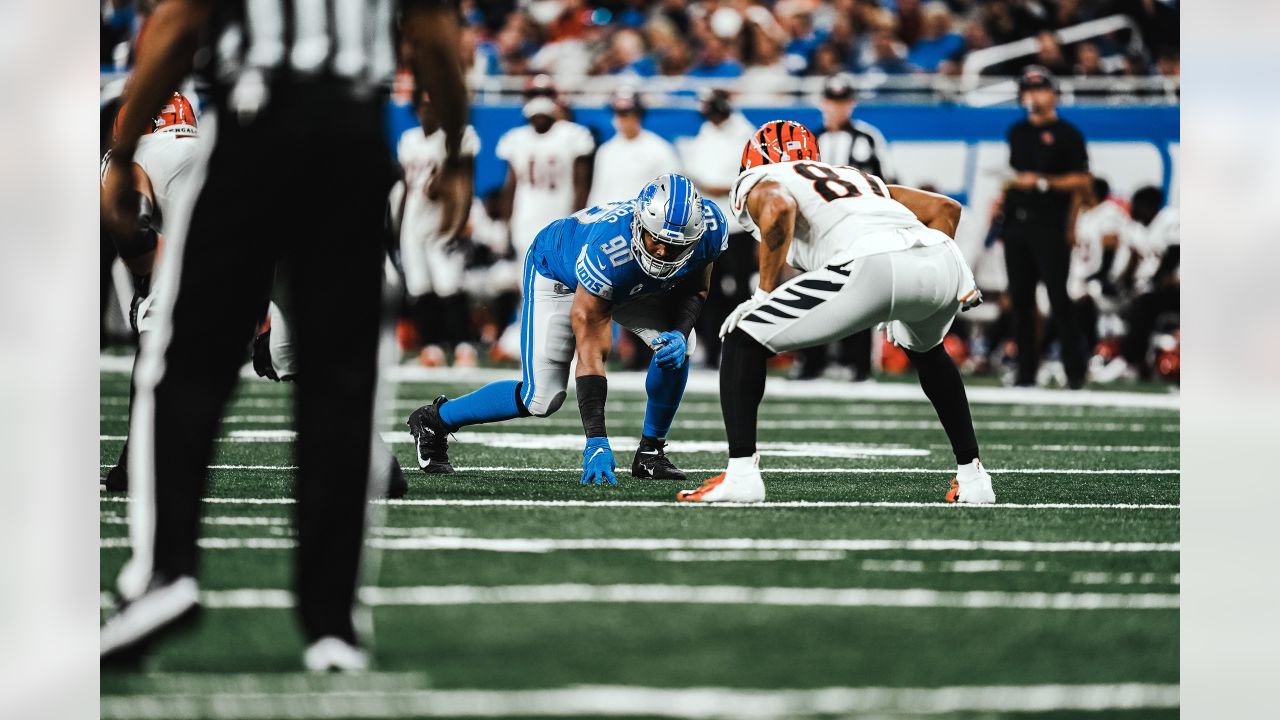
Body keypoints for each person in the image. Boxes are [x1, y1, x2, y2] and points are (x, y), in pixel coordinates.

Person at [98, 0, 471, 671]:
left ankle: (166, 574)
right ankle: (333, 622)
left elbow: (182, 20)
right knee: (341, 378)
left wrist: (122, 152)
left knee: (183, 365)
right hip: (354, 139)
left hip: (254, 124)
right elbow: (433, 29)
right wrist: (455, 145)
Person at [677, 121, 994, 505]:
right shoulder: (856, 178)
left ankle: (742, 474)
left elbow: (778, 206)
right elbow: (945, 208)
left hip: (872, 263)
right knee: (928, 353)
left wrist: (763, 293)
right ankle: (974, 478)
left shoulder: (759, 178)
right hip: (942, 259)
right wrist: (915, 294)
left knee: (744, 332)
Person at [407, 175, 728, 484]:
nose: (661, 252)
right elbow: (590, 351)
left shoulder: (708, 229)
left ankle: (650, 451)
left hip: (629, 281)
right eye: (655, 240)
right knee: (542, 398)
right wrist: (597, 440)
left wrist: (679, 330)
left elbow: (697, 289)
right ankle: (435, 420)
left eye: (673, 247)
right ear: (638, 225)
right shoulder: (607, 251)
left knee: (681, 345)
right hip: (558, 272)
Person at [99, 93, 203, 493]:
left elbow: (134, 220)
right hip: (275, 240)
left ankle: (137, 460)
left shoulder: (133, 153)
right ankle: (374, 461)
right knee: (290, 352)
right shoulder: (203, 144)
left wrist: (143, 285)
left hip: (215, 244)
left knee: (155, 322)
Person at [798, 72, 897, 382]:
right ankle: (811, 360)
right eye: (832, 101)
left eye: (842, 101)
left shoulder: (868, 138)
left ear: (851, 103)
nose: (837, 108)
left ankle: (857, 364)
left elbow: (889, 182)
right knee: (812, 294)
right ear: (823, 103)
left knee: (858, 294)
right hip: (817, 230)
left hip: (857, 228)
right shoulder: (809, 140)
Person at [1000, 65, 1092, 388]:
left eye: (1039, 89)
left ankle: (1075, 370)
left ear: (1052, 94)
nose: (1033, 96)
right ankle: (1026, 372)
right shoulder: (1017, 132)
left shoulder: (1068, 134)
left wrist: (1041, 183)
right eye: (1028, 90)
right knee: (1021, 302)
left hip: (1050, 226)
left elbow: (1082, 181)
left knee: (1058, 298)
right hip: (1018, 226)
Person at [392, 89, 481, 367]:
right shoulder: (409, 140)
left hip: (442, 222)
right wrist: (398, 223)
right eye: (424, 106)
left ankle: (464, 345)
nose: (428, 111)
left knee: (449, 286)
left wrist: (458, 221)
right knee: (420, 287)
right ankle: (432, 347)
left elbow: (465, 183)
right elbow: (407, 188)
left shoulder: (457, 138)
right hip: (413, 221)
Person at [678, 88, 757, 366]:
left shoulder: (744, 133)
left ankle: (744, 347)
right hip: (707, 226)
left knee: (739, 290)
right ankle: (711, 350)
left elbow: (751, 176)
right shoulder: (706, 133)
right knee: (706, 290)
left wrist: (716, 186)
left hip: (737, 224)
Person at [496, 76, 595, 259]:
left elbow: (582, 185)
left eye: (546, 94)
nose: (540, 100)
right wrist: (506, 226)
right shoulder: (515, 139)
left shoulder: (573, 135)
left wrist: (577, 224)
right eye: (535, 94)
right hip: (525, 219)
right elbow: (510, 186)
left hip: (560, 217)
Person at [1092, 186, 1179, 383]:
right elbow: (1132, 261)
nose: (1134, 210)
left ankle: (1130, 360)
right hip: (1152, 289)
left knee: (1145, 304)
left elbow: (1174, 256)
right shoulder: (1135, 228)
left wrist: (1155, 283)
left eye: (1138, 205)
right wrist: (1124, 284)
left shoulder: (1170, 220)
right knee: (1125, 301)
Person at [586, 88, 681, 206]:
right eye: (617, 113)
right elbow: (598, 192)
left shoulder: (660, 149)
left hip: (644, 221)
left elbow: (673, 193)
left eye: (625, 114)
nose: (620, 118)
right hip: (610, 220)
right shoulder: (606, 150)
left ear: (638, 115)